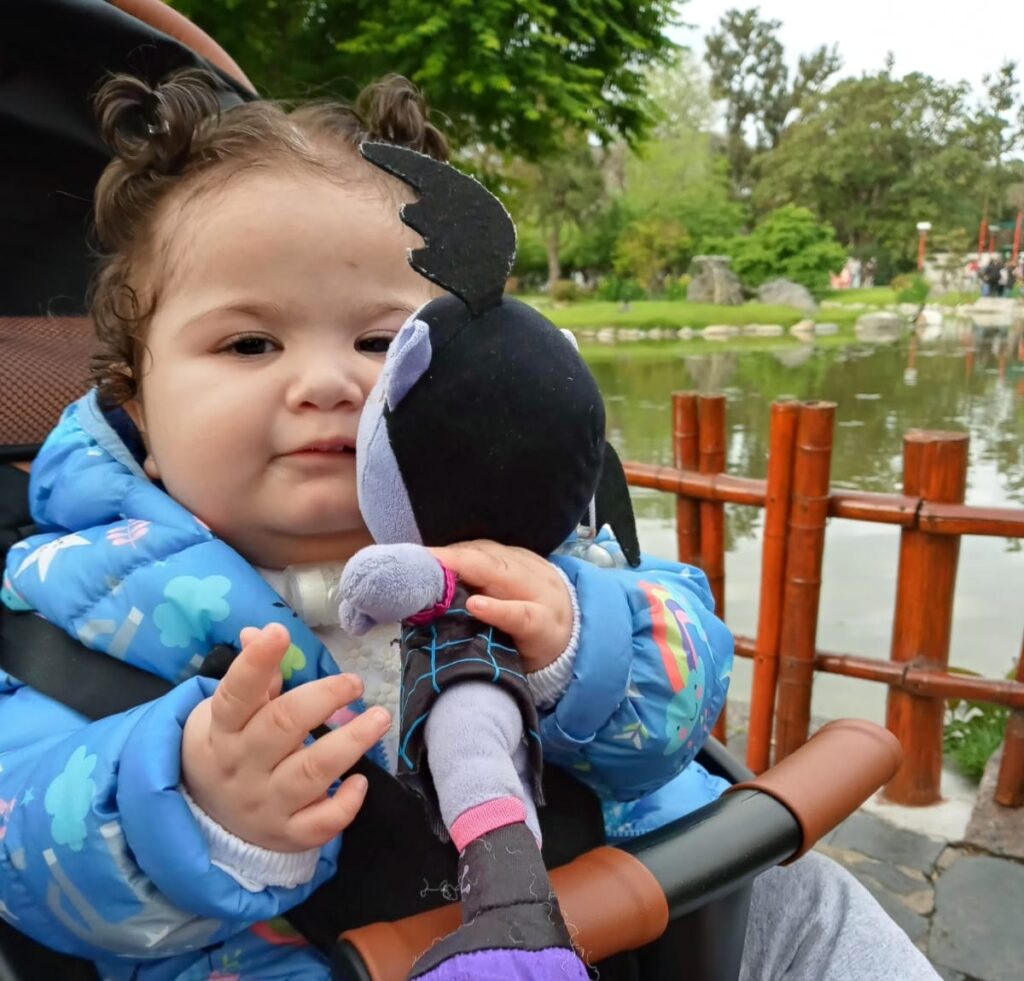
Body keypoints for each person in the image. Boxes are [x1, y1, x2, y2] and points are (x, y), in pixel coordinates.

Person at [0, 69, 938, 981]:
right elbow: (21, 850)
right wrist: (188, 804)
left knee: (812, 904)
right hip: (325, 949)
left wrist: (583, 645)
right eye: (250, 343)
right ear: (135, 405)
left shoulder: (525, 531)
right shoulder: (75, 608)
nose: (328, 382)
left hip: (673, 914)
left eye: (381, 341)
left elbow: (684, 688)